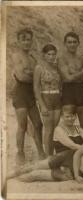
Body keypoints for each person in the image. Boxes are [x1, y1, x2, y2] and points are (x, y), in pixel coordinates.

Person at [7, 122, 83, 183]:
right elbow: (78, 153)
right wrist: (78, 175)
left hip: (72, 173)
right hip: (69, 157)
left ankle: (12, 184)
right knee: (35, 166)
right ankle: (9, 175)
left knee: (35, 175)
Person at [11, 28, 45, 164]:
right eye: (23, 39)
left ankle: (41, 152)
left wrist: (29, 73)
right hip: (20, 93)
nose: (26, 42)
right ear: (18, 41)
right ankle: (20, 153)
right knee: (22, 125)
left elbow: (38, 76)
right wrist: (31, 74)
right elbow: (21, 75)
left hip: (31, 94)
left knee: (38, 124)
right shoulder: (16, 56)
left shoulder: (32, 58)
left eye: (29, 39)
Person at [33, 44, 62, 156]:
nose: (51, 56)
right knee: (49, 130)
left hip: (57, 100)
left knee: (55, 129)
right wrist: (42, 105)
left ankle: (52, 154)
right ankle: (48, 156)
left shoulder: (56, 68)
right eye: (49, 54)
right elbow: (36, 88)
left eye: (53, 54)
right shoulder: (39, 68)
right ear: (44, 55)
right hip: (46, 99)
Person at [58, 32, 83, 134]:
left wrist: (75, 74)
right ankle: (68, 147)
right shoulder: (62, 59)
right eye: (69, 42)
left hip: (81, 90)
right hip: (68, 92)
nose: (72, 44)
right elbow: (68, 78)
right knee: (67, 124)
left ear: (78, 43)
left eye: (74, 42)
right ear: (65, 43)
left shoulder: (82, 58)